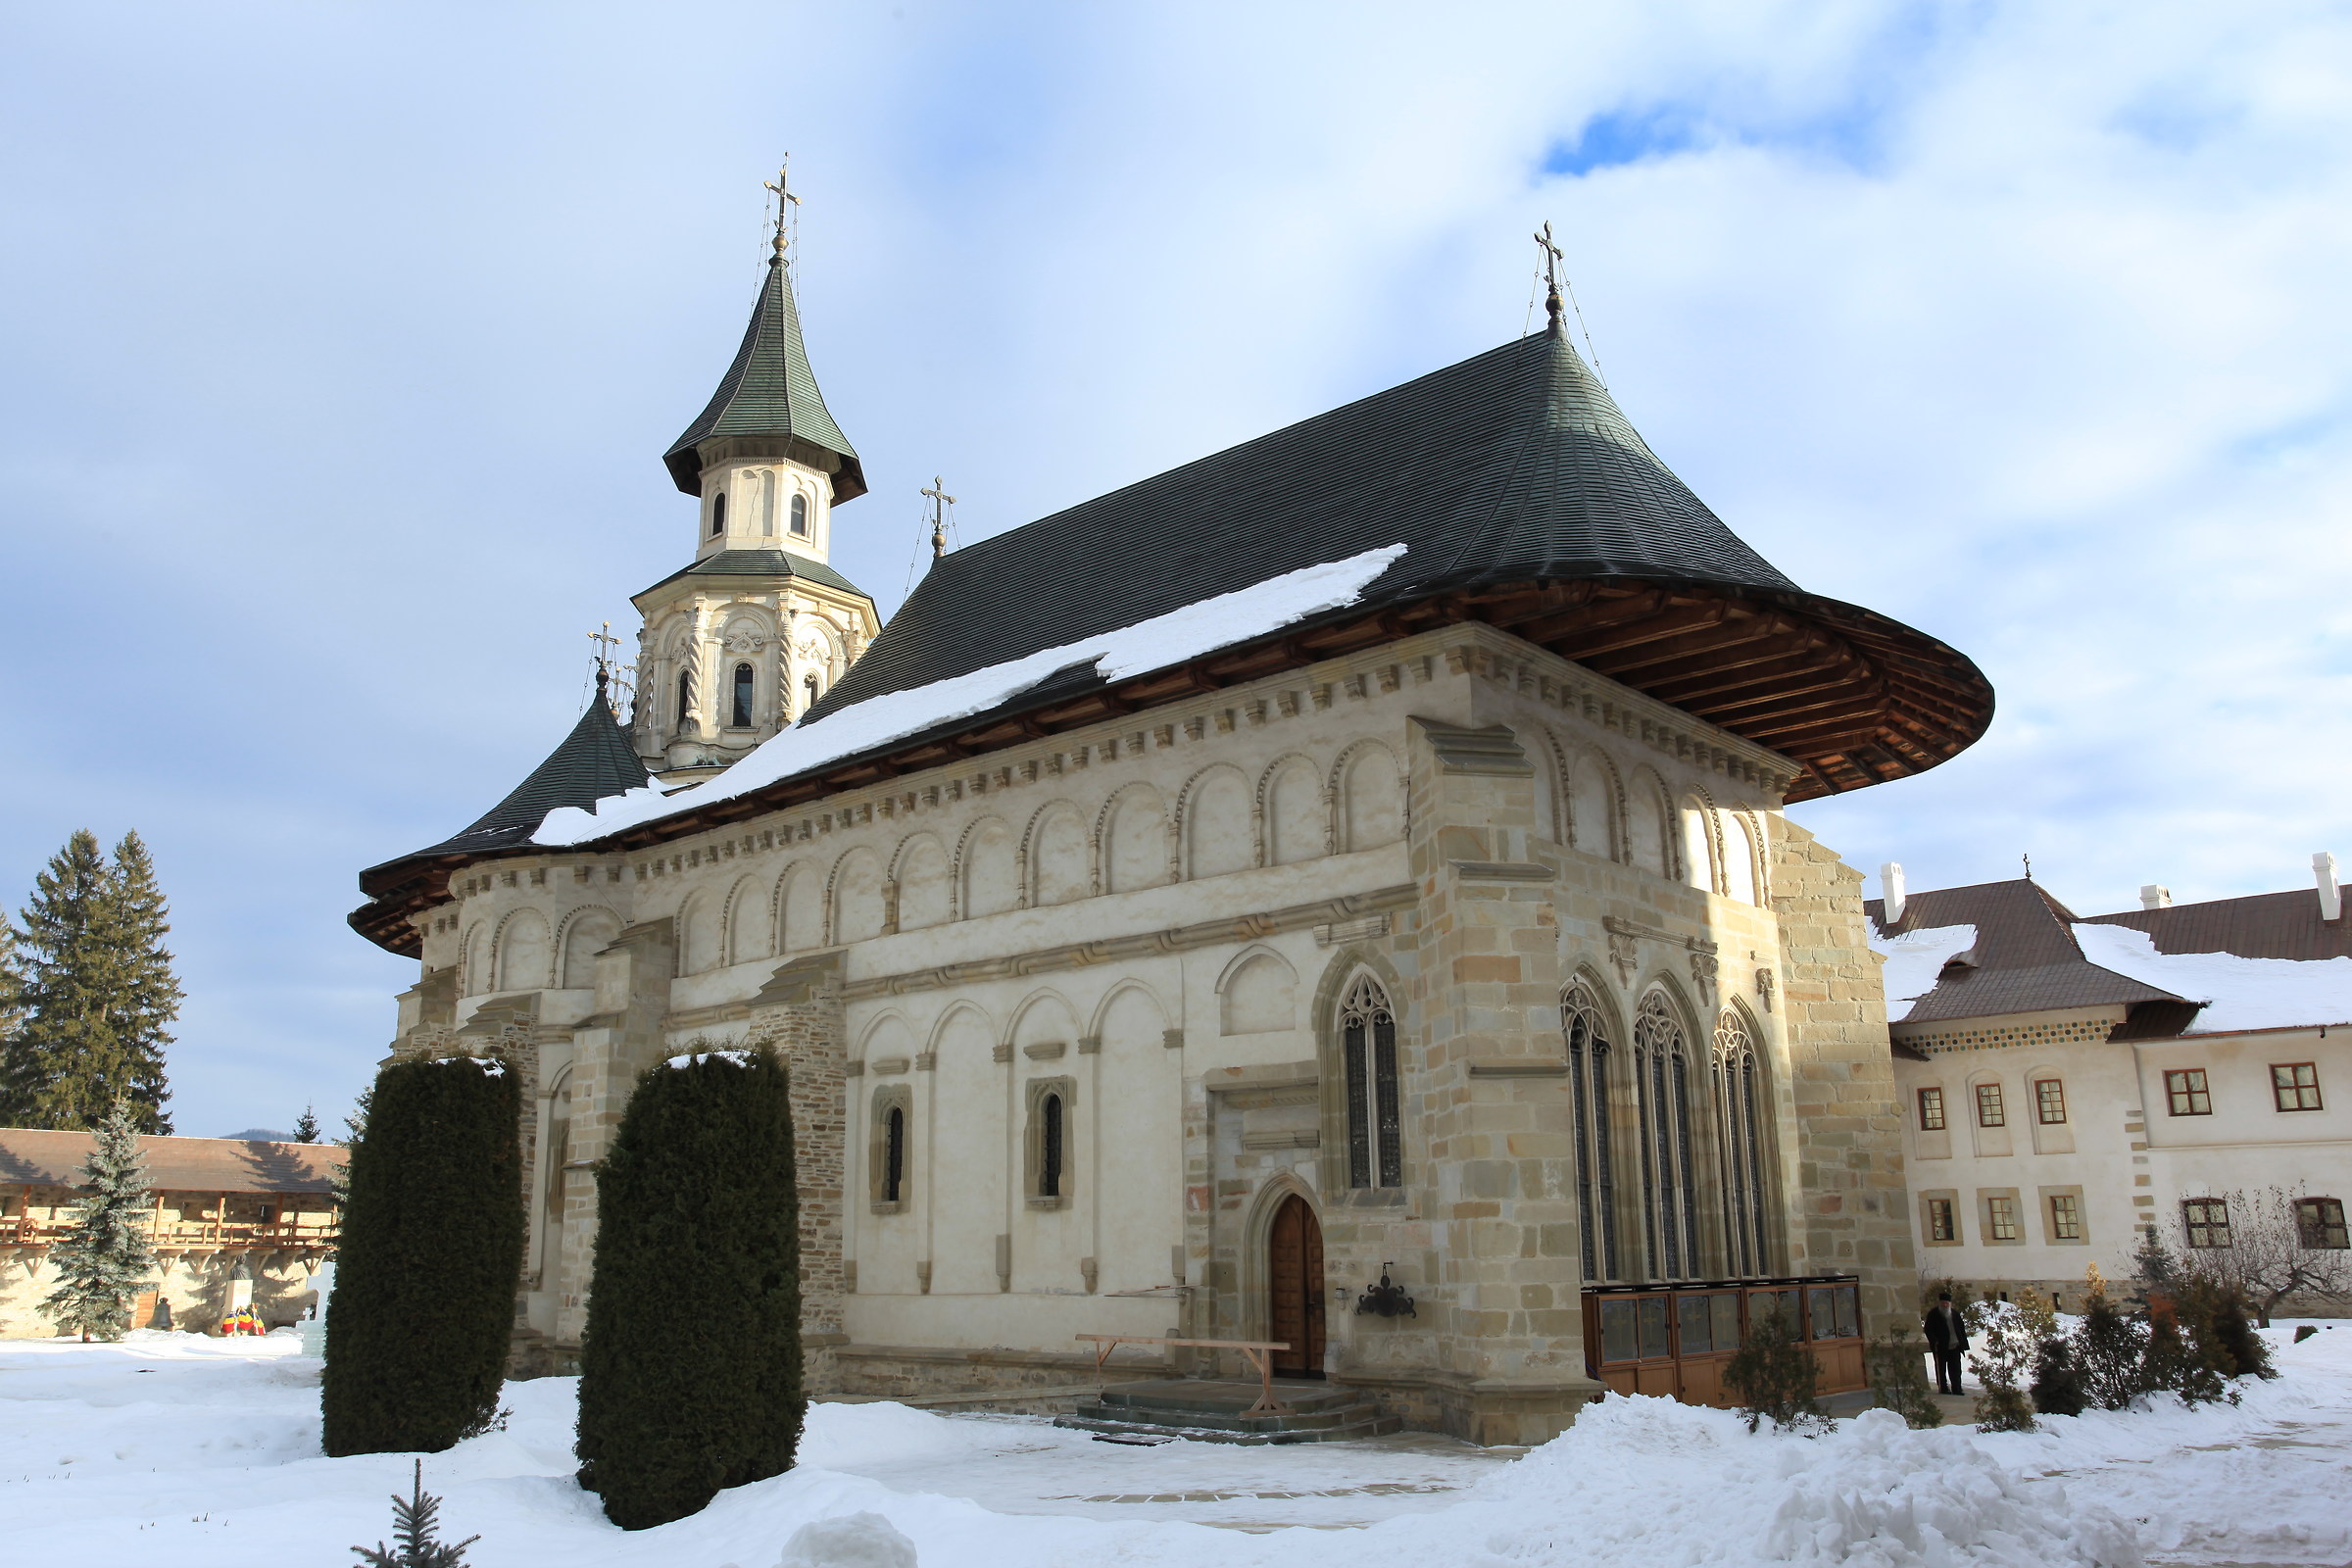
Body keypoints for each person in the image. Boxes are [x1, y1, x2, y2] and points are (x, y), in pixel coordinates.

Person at [1923, 1291, 1969, 1396]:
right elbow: (1928, 1329)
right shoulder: (1933, 1314)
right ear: (1940, 1303)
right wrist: (1934, 1340)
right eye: (1943, 1303)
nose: (1945, 1305)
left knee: (1956, 1369)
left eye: (1947, 1303)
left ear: (1950, 1304)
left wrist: (1962, 1343)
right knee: (1941, 1369)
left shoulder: (1955, 1314)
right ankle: (1943, 1388)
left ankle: (1957, 1388)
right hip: (1940, 1346)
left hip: (1955, 1346)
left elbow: (1961, 1329)